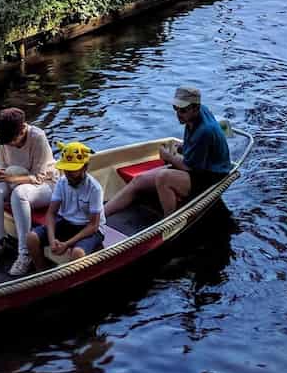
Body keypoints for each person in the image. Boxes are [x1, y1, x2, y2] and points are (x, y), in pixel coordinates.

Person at [103, 87, 231, 220]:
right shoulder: (198, 113)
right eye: (175, 108)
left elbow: (190, 168)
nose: (178, 114)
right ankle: (100, 216)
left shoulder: (205, 131)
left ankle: (168, 222)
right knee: (139, 180)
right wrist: (186, 146)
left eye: (183, 110)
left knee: (163, 177)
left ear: (196, 108)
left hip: (209, 176)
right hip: (198, 166)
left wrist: (167, 157)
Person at [0, 107, 58, 278]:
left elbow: (39, 177)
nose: (9, 144)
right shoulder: (3, 140)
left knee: (20, 194)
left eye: (12, 140)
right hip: (16, 178)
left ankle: (25, 252)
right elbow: (4, 167)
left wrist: (10, 179)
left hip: (46, 184)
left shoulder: (37, 137)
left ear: (23, 129)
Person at [27, 141, 105, 268]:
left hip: (88, 229)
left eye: (73, 170)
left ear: (84, 167)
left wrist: (67, 244)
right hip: (66, 222)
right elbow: (51, 213)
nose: (68, 174)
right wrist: (52, 241)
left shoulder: (95, 188)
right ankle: (41, 272)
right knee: (32, 238)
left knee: (77, 254)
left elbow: (93, 226)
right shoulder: (62, 182)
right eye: (66, 170)